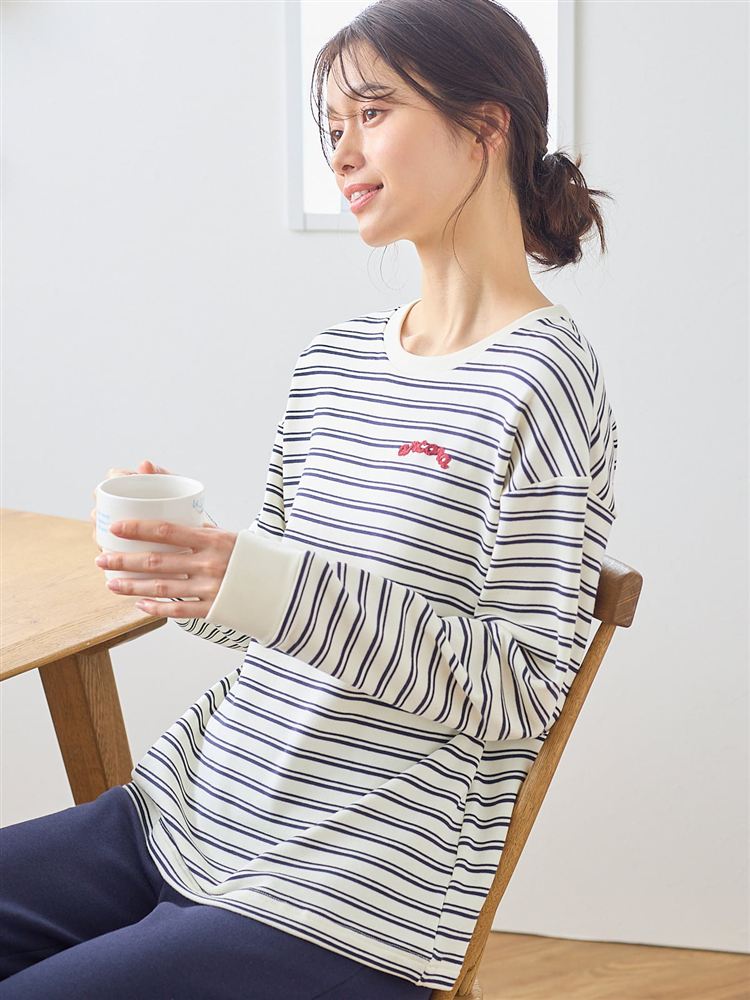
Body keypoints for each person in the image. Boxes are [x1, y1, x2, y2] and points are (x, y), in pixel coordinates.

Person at [0, 1, 619, 997]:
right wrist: (194, 570)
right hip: (190, 807)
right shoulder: (333, 362)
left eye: (372, 113)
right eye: (332, 126)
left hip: (350, 885)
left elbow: (518, 690)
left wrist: (272, 586)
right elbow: (282, 616)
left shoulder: (542, 380)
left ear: (485, 126)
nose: (342, 151)